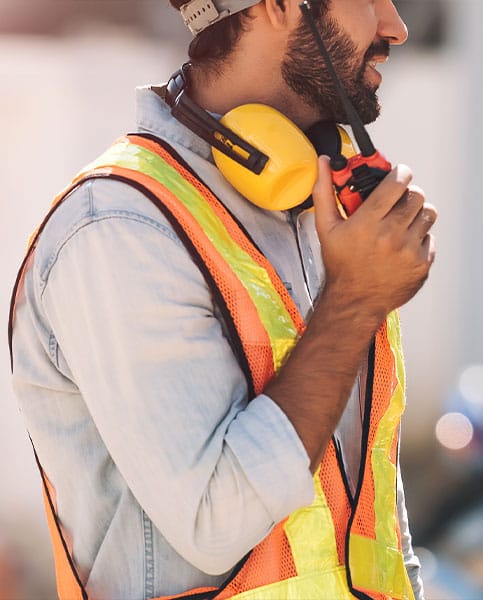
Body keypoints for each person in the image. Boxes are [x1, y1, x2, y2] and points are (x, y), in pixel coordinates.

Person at [9, 0, 436, 598]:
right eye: (369, 1)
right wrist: (354, 303)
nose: (397, 27)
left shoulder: (320, 204)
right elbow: (215, 520)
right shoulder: (117, 226)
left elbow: (376, 518)